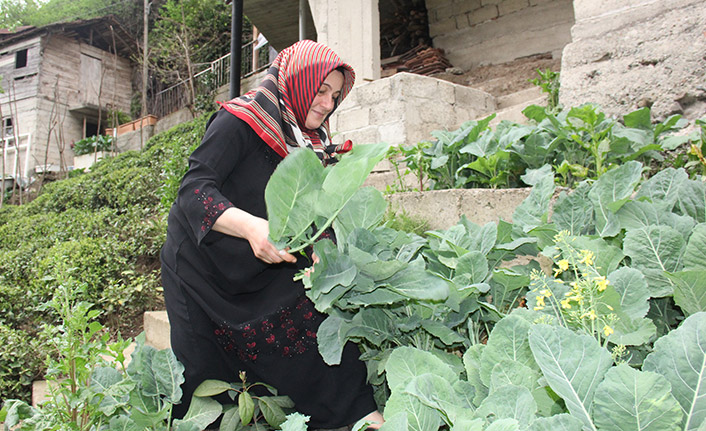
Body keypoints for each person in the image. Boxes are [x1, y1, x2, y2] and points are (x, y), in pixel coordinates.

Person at [160, 40, 384, 430]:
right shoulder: (240, 120)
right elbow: (194, 191)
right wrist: (251, 227)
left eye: (335, 96)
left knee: (314, 331)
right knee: (204, 379)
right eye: (320, 91)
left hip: (261, 264)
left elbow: (316, 212)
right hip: (200, 269)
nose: (327, 104)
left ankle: (362, 415)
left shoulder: (308, 142)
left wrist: (323, 254)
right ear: (297, 83)